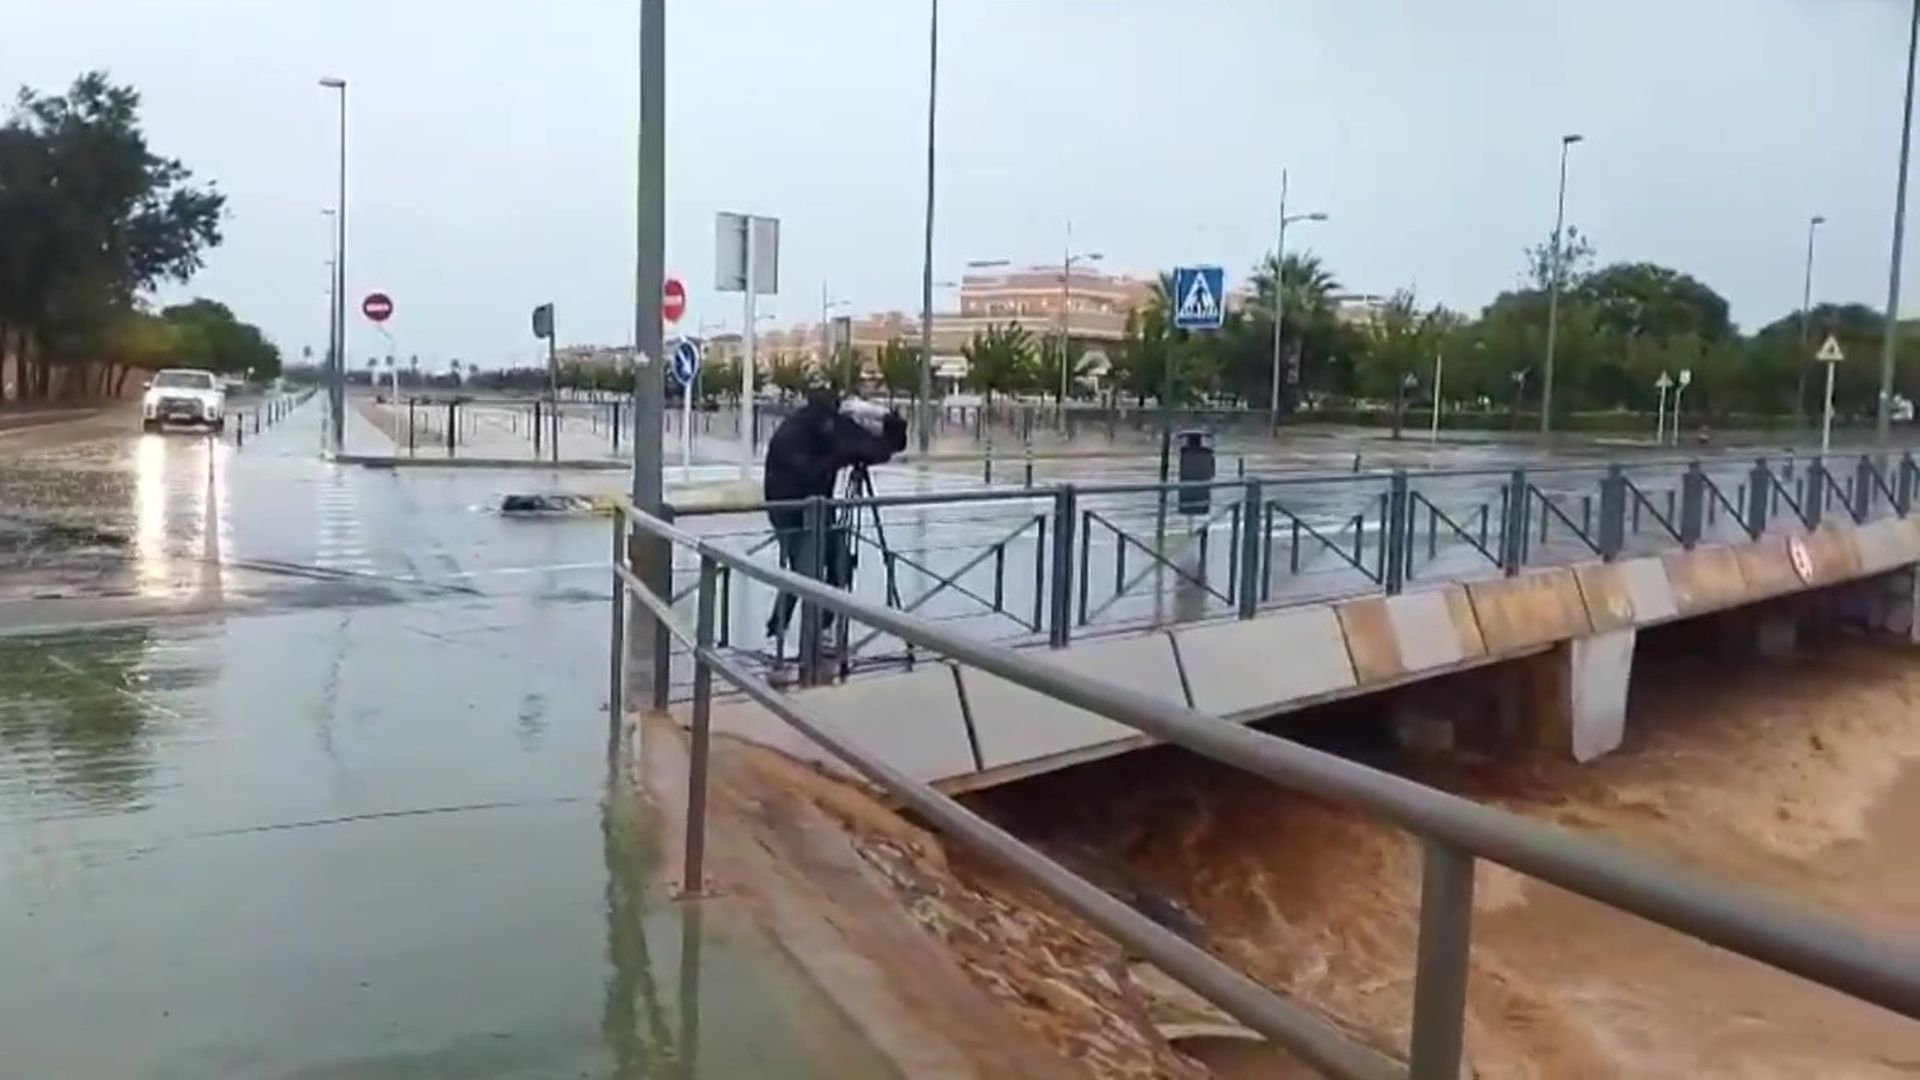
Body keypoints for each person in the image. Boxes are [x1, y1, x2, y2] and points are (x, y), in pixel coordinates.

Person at [762, 388, 907, 652]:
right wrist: (885, 421)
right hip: (799, 508)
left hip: (801, 506)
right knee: (809, 571)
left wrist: (855, 444)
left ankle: (789, 630)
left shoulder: (811, 424)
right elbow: (878, 448)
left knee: (819, 566)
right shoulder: (825, 426)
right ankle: (800, 635)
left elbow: (874, 448)